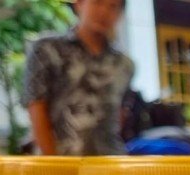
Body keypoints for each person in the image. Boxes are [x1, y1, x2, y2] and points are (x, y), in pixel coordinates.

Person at [23, 0, 134, 156]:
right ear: (79, 4)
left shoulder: (124, 65)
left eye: (113, 6)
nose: (104, 12)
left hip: (109, 161)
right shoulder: (47, 49)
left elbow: (120, 114)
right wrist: (54, 164)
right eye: (98, 3)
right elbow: (36, 107)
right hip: (60, 160)